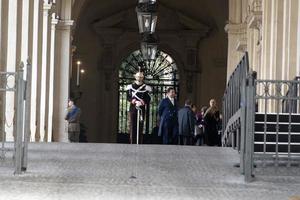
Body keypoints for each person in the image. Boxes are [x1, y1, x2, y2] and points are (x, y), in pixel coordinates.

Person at [126, 69, 151, 144]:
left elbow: (148, 98)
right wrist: (133, 101)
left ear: (143, 78)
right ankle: (132, 142)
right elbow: (128, 97)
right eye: (138, 77)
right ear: (135, 77)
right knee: (132, 125)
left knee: (140, 126)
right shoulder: (130, 87)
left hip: (141, 108)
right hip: (133, 108)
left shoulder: (146, 88)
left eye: (141, 77)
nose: (139, 78)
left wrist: (143, 102)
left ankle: (139, 142)